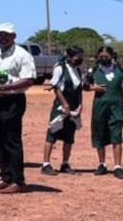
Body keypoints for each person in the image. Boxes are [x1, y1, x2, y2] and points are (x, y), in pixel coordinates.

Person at [0, 22, 35, 194]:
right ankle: (6, 177)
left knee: (12, 141)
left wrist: (7, 88)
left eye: (6, 34)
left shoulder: (22, 55)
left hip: (13, 100)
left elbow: (29, 79)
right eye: (0, 34)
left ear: (14, 36)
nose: (2, 37)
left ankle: (18, 181)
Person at [88, 46, 123, 179]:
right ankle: (102, 164)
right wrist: (93, 88)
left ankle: (117, 166)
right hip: (99, 107)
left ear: (112, 56)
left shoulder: (120, 71)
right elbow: (84, 85)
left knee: (116, 135)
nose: (103, 59)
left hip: (116, 106)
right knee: (99, 133)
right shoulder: (94, 70)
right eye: (101, 56)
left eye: (106, 56)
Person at [41, 46, 85, 176]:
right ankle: (46, 164)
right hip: (60, 108)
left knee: (69, 136)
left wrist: (80, 105)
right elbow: (56, 88)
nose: (80, 60)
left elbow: (79, 89)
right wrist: (65, 104)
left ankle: (65, 163)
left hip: (74, 109)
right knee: (52, 134)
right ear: (70, 57)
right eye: (78, 57)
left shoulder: (77, 70)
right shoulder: (60, 68)